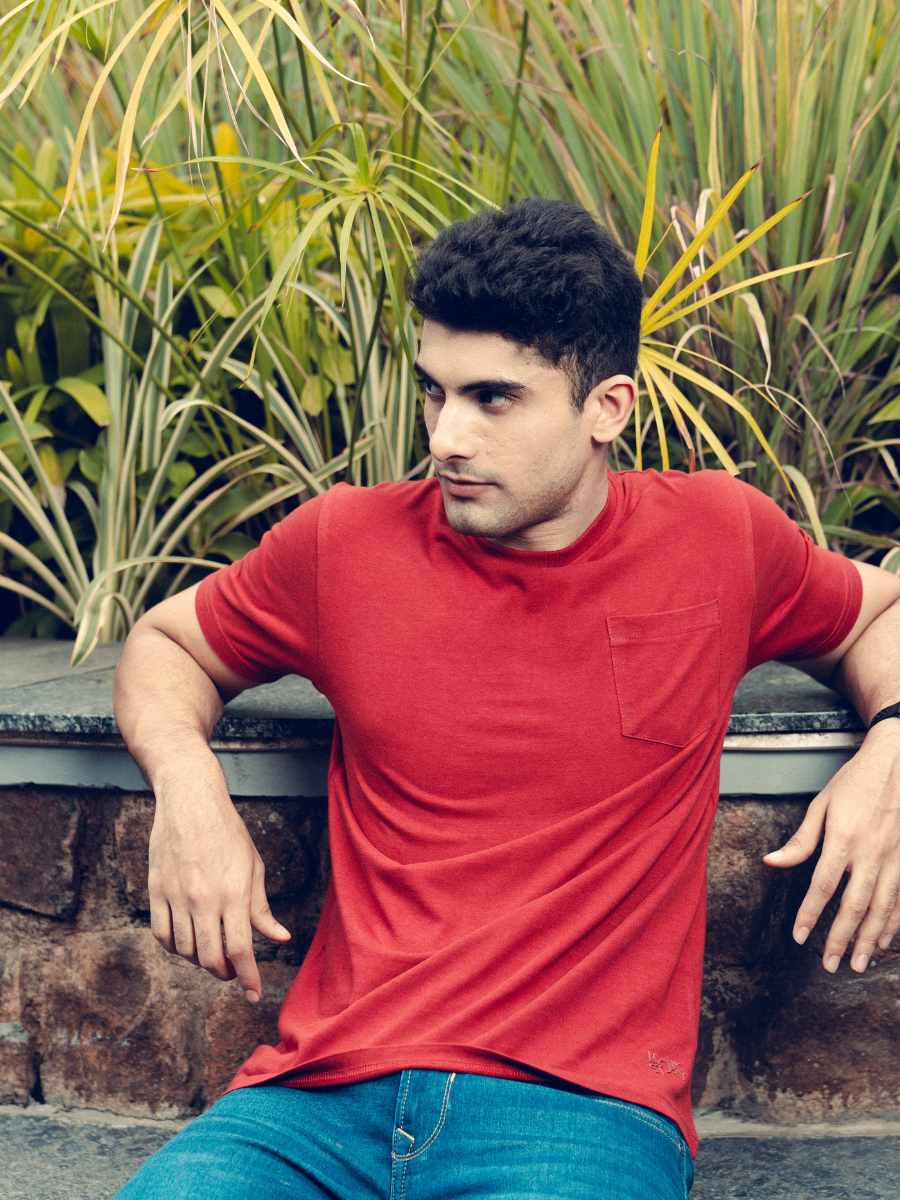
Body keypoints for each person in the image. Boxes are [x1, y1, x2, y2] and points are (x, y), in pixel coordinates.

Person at [113, 200, 900, 1200]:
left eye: (494, 399)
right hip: (317, 1099)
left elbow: (880, 619)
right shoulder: (344, 546)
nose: (445, 437)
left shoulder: (716, 541)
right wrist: (186, 785)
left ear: (607, 407)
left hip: (576, 1114)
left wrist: (891, 752)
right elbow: (168, 643)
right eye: (434, 393)